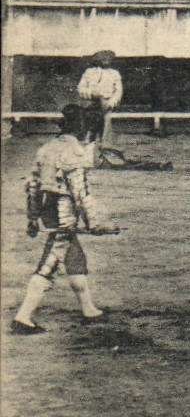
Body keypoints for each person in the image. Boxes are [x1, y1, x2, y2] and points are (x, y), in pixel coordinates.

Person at [12, 105, 119, 333]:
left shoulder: (46, 148)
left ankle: (89, 309)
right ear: (83, 130)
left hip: (47, 210)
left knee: (74, 257)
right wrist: (96, 224)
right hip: (64, 215)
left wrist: (33, 217)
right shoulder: (75, 153)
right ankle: (23, 316)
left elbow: (32, 185)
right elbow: (81, 194)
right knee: (51, 262)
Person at [76, 49, 124, 153]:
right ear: (98, 59)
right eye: (103, 58)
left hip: (106, 103)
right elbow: (81, 88)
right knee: (88, 120)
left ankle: (105, 145)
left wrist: (111, 102)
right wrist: (90, 93)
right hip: (90, 102)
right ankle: (87, 142)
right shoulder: (89, 72)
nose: (105, 60)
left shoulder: (114, 73)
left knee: (106, 120)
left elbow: (118, 91)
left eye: (108, 58)